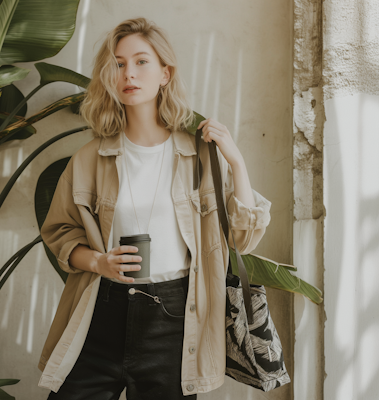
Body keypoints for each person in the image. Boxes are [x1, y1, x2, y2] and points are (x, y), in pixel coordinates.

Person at [37, 18, 272, 400]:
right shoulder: (89, 159)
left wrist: (237, 163)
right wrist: (99, 263)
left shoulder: (198, 155)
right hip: (102, 313)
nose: (129, 72)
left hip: (175, 321)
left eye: (141, 61)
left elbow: (241, 239)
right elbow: (59, 233)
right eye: (118, 63)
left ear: (165, 73)